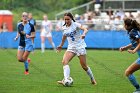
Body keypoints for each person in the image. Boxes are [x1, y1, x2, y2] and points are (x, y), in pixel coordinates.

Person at [57, 12, 97, 85]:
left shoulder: (75, 24)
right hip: (71, 47)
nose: (66, 21)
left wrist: (84, 34)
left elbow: (85, 29)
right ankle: (66, 80)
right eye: (65, 19)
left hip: (80, 47)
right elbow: (64, 37)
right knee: (64, 61)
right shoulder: (64, 27)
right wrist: (61, 45)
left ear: (71, 19)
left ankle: (92, 79)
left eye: (68, 19)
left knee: (84, 66)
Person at [119, 18, 140, 93]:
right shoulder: (133, 31)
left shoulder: (132, 32)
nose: (123, 25)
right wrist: (125, 48)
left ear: (127, 25)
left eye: (124, 24)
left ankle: (138, 89)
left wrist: (134, 50)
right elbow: (135, 43)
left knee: (128, 72)